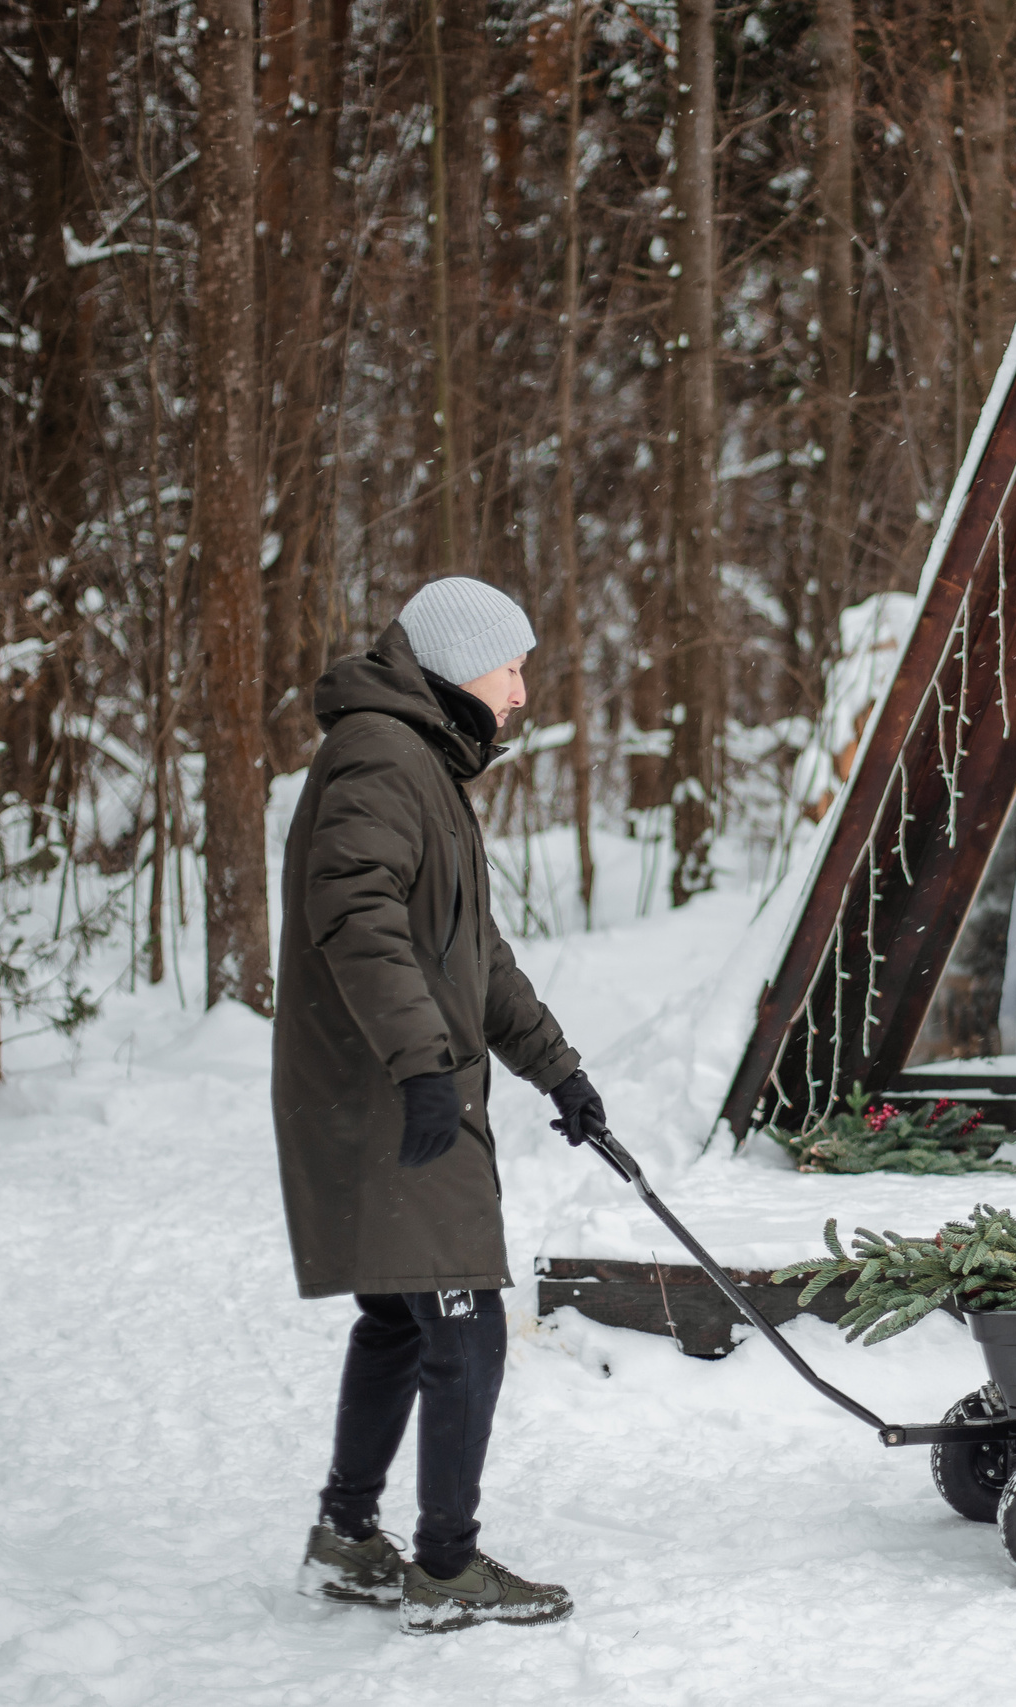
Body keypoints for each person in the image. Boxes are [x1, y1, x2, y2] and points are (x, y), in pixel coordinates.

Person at [271, 577, 609, 1636]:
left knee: (401, 1316)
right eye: (512, 669)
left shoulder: (417, 762)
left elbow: (474, 955)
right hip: (393, 1094)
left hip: (399, 1085)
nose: (520, 693)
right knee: (464, 1322)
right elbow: (356, 913)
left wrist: (558, 1070)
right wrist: (423, 1066)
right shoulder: (382, 754)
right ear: (461, 664)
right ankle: (445, 1568)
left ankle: (345, 1539)